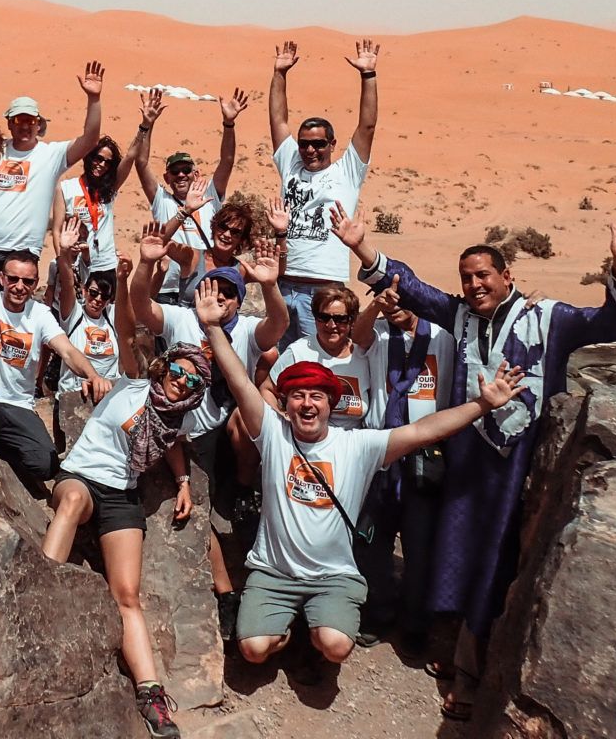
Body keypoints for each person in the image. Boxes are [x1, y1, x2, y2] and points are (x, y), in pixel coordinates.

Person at [329, 203, 616, 720]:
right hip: (467, 461)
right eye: (467, 278)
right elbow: (410, 286)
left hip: (521, 468)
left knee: (502, 559)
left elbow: (613, 320)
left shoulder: (550, 318)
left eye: (483, 276)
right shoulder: (459, 316)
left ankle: (477, 671)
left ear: (507, 276)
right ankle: (458, 652)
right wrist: (361, 245)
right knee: (458, 552)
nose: (474, 285)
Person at [199, 277, 529, 682]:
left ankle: (318, 631)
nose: (307, 404)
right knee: (253, 650)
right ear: (286, 403)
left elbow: (425, 431)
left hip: (333, 574)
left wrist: (481, 404)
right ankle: (290, 630)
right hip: (275, 571)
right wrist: (213, 328)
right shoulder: (274, 433)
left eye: (317, 397)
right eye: (298, 396)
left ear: (331, 403)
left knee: (337, 645)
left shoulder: (357, 445)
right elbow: (239, 381)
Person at [41, 343, 209, 739]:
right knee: (74, 503)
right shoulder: (132, 383)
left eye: (192, 380)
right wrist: (124, 278)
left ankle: (150, 693)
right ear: (165, 367)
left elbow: (173, 444)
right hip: (81, 477)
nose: (181, 382)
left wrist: (183, 482)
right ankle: (43, 589)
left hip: (121, 494)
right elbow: (130, 329)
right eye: (178, 372)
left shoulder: (179, 417)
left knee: (128, 594)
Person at [131, 222, 288, 640]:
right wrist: (146, 264)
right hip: (178, 431)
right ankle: (224, 590)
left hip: (216, 429)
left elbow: (278, 324)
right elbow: (141, 308)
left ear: (238, 300)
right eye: (211, 289)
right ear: (199, 291)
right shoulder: (183, 318)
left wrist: (270, 287)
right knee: (190, 501)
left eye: (228, 294)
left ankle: (238, 498)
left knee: (245, 425)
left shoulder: (248, 329)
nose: (218, 298)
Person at [0, 191, 113, 487]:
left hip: (17, 407)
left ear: (35, 283)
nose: (19, 286)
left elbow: (66, 350)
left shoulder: (39, 313)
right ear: (2, 279)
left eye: (27, 281)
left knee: (45, 464)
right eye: (13, 279)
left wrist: (92, 374)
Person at [346, 273, 458, 653]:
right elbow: (357, 336)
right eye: (386, 299)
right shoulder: (376, 335)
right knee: (373, 542)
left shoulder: (443, 337)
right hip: (381, 453)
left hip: (426, 454)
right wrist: (376, 306)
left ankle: (415, 623)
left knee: (419, 544)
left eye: (400, 300)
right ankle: (378, 612)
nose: (394, 306)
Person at [268, 38, 380, 346]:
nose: (310, 149)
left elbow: (367, 127)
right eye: (304, 143)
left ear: (332, 144)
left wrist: (368, 76)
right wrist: (280, 74)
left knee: (318, 362)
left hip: (322, 291)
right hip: (281, 284)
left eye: (318, 143)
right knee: (279, 363)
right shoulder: (290, 162)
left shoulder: (346, 172)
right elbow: (278, 120)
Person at [0, 60, 106, 284]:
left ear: (38, 124)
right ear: (9, 123)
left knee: (17, 313)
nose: (25, 126)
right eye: (18, 120)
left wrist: (94, 99)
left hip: (25, 253)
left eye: (30, 120)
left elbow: (90, 139)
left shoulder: (51, 155)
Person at [135, 86, 249, 304]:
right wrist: (147, 125)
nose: (181, 175)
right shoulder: (162, 199)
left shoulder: (211, 195)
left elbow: (227, 161)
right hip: (167, 288)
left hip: (206, 286)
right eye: (174, 171)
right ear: (166, 177)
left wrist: (229, 124)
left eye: (186, 170)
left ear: (195, 174)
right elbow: (140, 163)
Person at [257, 285, 372, 429]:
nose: (331, 325)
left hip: (351, 442)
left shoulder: (365, 355)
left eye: (339, 319)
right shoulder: (298, 351)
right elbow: (267, 390)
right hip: (306, 440)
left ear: (352, 321)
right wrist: (283, 422)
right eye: (323, 318)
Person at [49, 218, 136, 396]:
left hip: (110, 393)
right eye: (94, 293)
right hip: (74, 395)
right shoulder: (74, 314)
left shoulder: (110, 316)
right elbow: (67, 283)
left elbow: (128, 318)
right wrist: (64, 252)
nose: (98, 300)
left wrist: (123, 279)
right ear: (85, 290)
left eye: (104, 297)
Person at [56, 126, 143, 278]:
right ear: (89, 157)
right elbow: (57, 230)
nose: (102, 164)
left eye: (107, 162)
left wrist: (144, 127)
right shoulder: (66, 188)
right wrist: (62, 263)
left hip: (105, 265)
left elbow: (130, 157)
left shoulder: (109, 189)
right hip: (76, 265)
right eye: (98, 158)